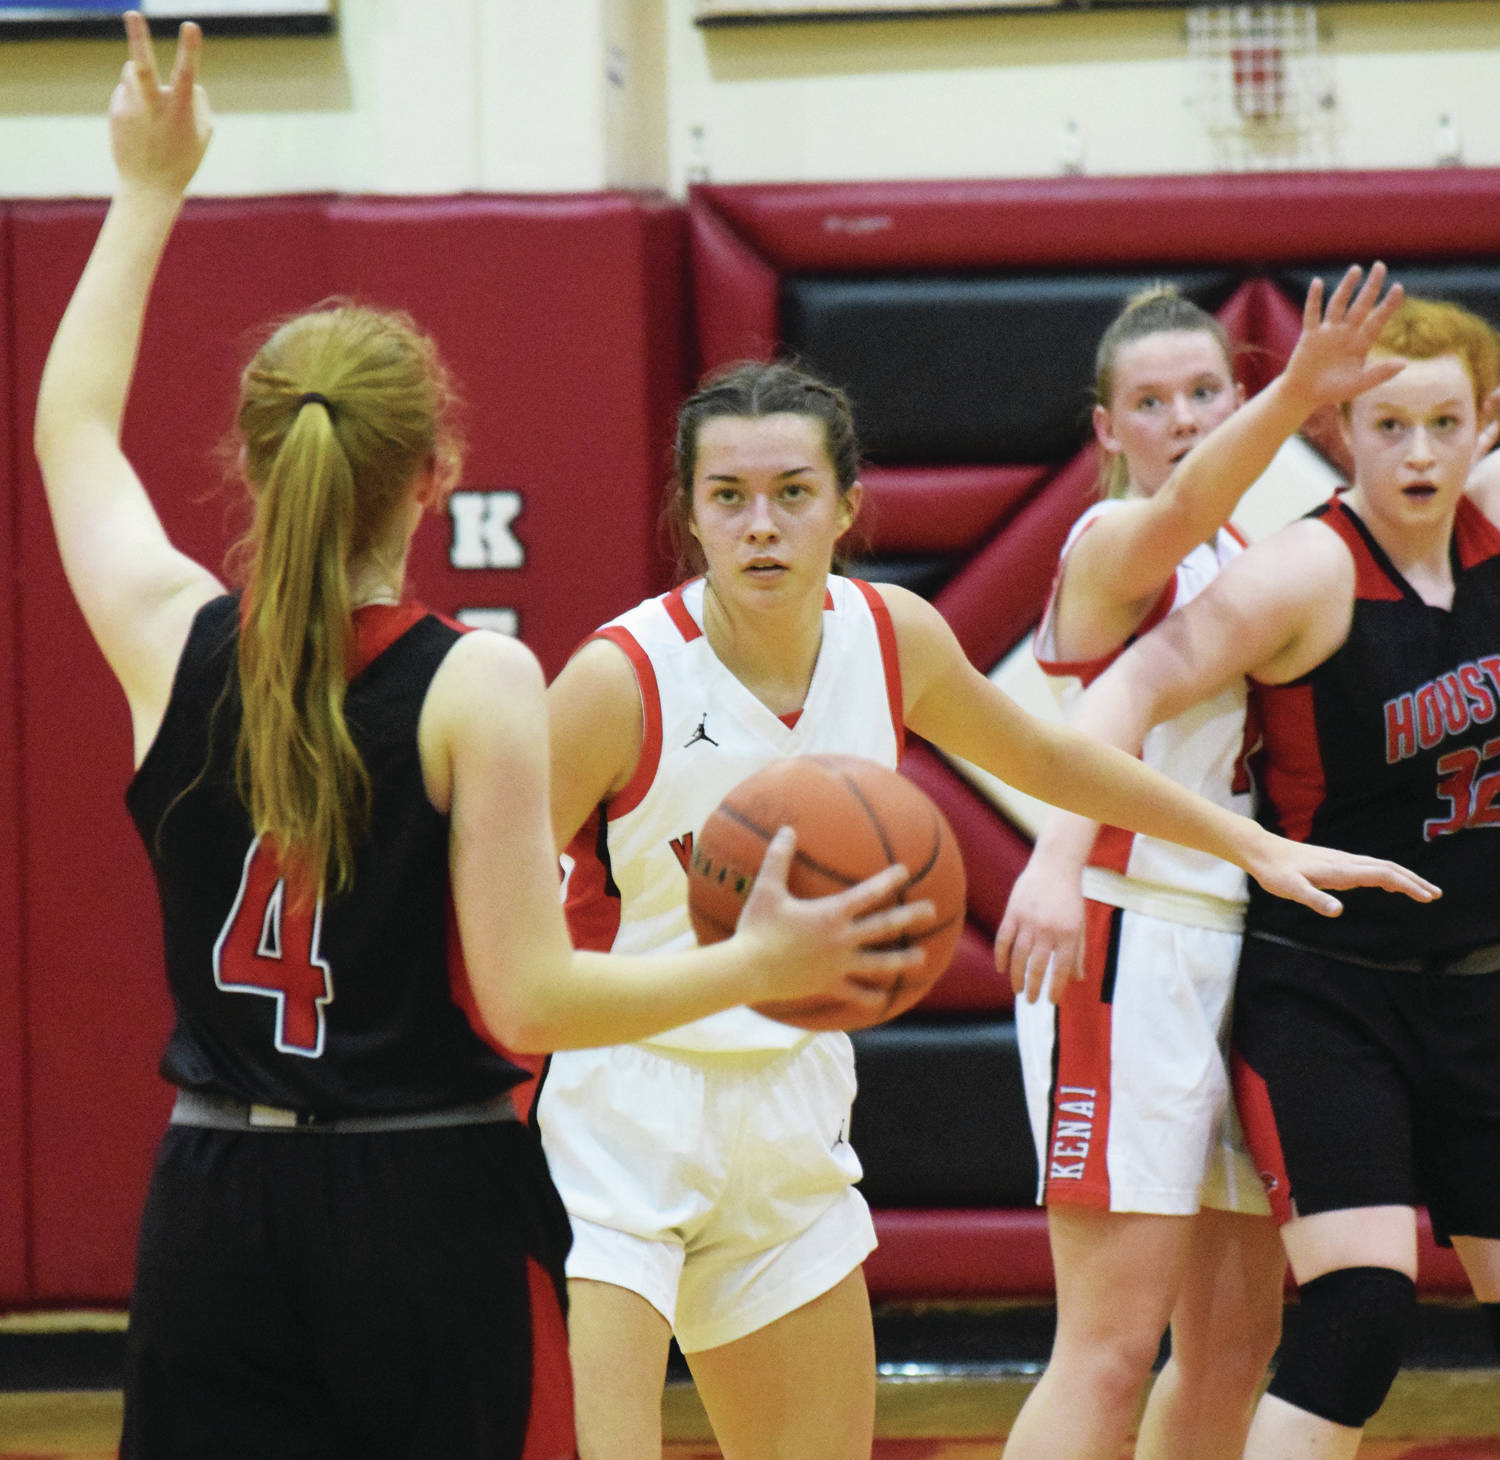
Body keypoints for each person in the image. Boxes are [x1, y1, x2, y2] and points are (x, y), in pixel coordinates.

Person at [33, 18, 937, 1458]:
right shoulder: (476, 685)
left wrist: (145, 193)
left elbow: (69, 429)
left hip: (212, 1195)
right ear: (439, 474)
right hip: (418, 1202)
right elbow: (527, 1005)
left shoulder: (165, 636)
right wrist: (754, 966)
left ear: (262, 463)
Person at [539, 359, 1439, 1460]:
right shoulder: (617, 680)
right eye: (727, 496)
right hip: (626, 1105)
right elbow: (484, 889)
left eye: (792, 493)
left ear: (846, 504)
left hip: (794, 1093)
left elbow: (1056, 756)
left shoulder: (890, 636)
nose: (760, 525)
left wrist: (1249, 839)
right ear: (688, 512)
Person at [1000, 293, 1500, 1460]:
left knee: (1228, 1346)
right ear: (1106, 429)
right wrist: (1056, 852)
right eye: (1150, 402)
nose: (1181, 420)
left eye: (1204, 393)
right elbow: (1176, 523)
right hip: (1124, 936)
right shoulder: (1115, 542)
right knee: (1112, 1345)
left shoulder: (1258, 550)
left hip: (1244, 935)